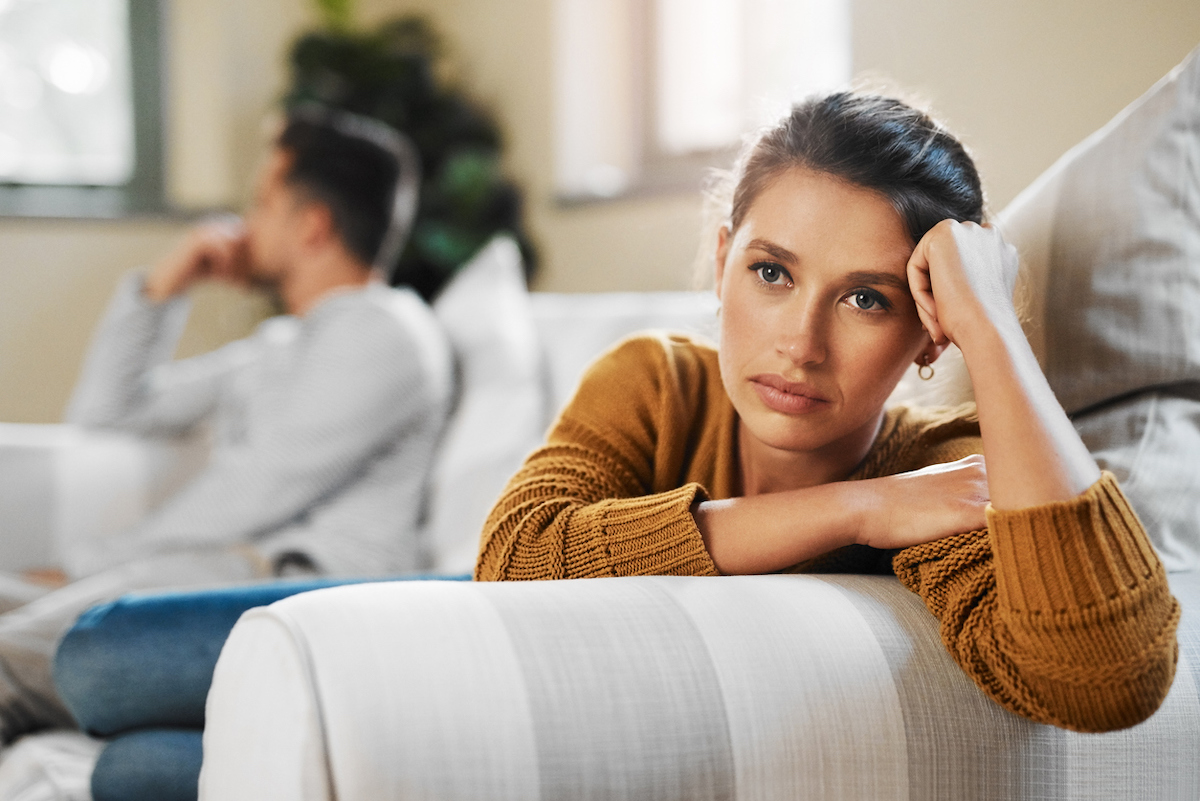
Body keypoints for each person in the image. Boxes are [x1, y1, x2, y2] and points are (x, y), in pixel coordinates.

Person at [475, 92, 1180, 734]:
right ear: (724, 261)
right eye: (772, 272)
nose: (800, 344)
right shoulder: (657, 382)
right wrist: (860, 509)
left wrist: (991, 321)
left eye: (866, 298)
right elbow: (513, 558)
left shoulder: (941, 468)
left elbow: (1112, 680)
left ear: (931, 332)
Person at [0, 107, 453, 755]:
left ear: (313, 226)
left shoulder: (387, 332)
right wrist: (164, 287)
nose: (245, 222)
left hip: (285, 584)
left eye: (262, 201)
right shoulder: (281, 344)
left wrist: (80, 567)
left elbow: (256, 489)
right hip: (207, 566)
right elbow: (108, 414)